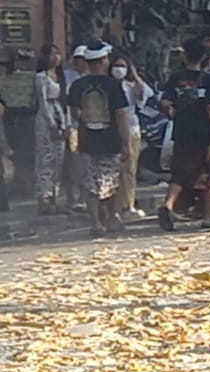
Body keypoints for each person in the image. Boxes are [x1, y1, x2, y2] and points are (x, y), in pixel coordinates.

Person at [157, 37, 210, 232]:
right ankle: (207, 217)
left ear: (185, 56)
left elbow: (165, 102)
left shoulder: (175, 78)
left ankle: (168, 204)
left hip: (182, 132)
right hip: (205, 132)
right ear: (204, 57)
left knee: (178, 173)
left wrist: (170, 110)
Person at [64, 42, 131, 237]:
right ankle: (112, 218)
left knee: (91, 181)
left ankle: (96, 222)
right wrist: (126, 142)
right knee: (111, 180)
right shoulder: (113, 85)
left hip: (87, 138)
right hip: (111, 139)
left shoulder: (78, 85)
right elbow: (120, 114)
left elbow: (75, 112)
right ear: (104, 61)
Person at [109, 51, 151, 220]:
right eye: (116, 66)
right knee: (112, 171)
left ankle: (128, 204)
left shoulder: (131, 86)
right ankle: (113, 207)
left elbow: (144, 93)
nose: (119, 69)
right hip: (111, 130)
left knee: (130, 169)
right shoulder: (108, 85)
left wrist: (134, 74)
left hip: (131, 128)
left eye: (122, 66)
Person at [33, 44, 66, 212]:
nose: (56, 57)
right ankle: (43, 196)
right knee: (46, 157)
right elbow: (43, 102)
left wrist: (64, 124)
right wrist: (52, 124)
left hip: (59, 114)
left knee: (59, 159)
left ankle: (55, 196)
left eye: (57, 54)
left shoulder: (60, 76)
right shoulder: (41, 77)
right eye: (52, 54)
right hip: (47, 118)